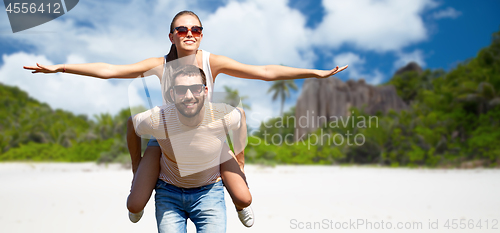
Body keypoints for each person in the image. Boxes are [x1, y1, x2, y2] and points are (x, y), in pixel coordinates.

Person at [23, 10, 348, 228]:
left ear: (202, 35)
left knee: (243, 195)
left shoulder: (212, 61)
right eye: (182, 29)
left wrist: (314, 73)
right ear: (171, 35)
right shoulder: (158, 65)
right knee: (135, 203)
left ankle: (238, 202)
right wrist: (61, 67)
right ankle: (143, 187)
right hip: (167, 139)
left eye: (196, 29)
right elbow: (109, 71)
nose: (189, 33)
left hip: (207, 138)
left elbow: (263, 72)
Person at [132, 65, 244, 232]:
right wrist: (137, 165)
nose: (189, 96)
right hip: (169, 190)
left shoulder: (222, 115)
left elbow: (241, 115)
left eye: (196, 89)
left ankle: (241, 205)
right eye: (181, 90)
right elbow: (131, 124)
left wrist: (240, 159)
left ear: (205, 91)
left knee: (245, 198)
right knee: (134, 204)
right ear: (172, 93)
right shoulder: (157, 119)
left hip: (209, 190)